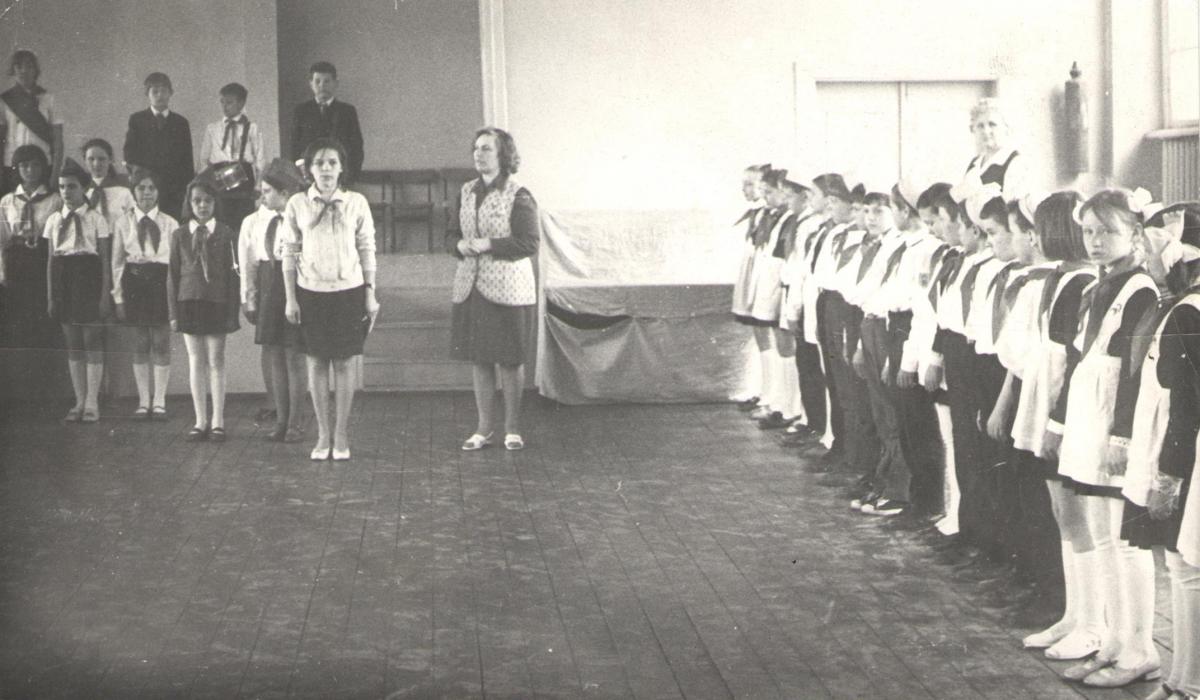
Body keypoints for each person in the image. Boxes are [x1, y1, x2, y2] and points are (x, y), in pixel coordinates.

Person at [1045, 189, 1160, 686]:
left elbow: (1135, 372)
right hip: (1087, 419)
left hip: (1114, 422)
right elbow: (1078, 360)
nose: (1094, 241)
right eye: (1089, 231)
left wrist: (1122, 438)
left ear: (1134, 234)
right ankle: (1113, 640)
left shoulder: (1140, 290)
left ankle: (1141, 648)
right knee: (1101, 537)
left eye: (1107, 231)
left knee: (1126, 542)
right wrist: (1059, 424)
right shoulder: (1097, 285)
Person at [1119, 202, 1200, 699]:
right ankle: (1182, 680)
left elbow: (1185, 408)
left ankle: (1187, 683)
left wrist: (1167, 479)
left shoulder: (1187, 313)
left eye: (1151, 250)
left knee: (1187, 567)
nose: (1146, 261)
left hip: (1188, 459)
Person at [282, 138, 378, 461]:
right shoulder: (296, 204)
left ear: (341, 168)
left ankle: (341, 434)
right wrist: (291, 298)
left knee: (345, 363)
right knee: (317, 362)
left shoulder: (356, 203)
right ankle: (323, 434)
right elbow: (288, 253)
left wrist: (370, 292)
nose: (325, 169)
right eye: (319, 163)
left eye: (332, 163)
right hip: (310, 293)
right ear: (309, 169)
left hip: (348, 292)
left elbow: (367, 248)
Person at [448, 127, 538, 452]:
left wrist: (489, 244)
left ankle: (512, 429)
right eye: (476, 148)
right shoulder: (466, 191)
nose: (479, 154)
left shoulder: (519, 195)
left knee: (510, 360)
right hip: (471, 286)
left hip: (509, 289)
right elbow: (451, 234)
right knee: (480, 358)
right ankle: (484, 428)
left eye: (486, 148)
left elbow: (529, 243)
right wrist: (458, 245)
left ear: (503, 154)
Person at [241, 159, 308, 443]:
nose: (262, 196)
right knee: (275, 354)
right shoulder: (257, 221)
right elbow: (250, 263)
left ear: (284, 193)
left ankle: (296, 422)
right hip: (269, 284)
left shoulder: (302, 218)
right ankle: (281, 420)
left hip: (294, 284)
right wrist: (250, 297)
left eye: (267, 191)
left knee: (294, 355)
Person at [168, 178, 240, 442]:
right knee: (195, 360)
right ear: (189, 203)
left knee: (216, 360)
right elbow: (172, 275)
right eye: (197, 200)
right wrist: (173, 313)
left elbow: (233, 276)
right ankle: (200, 421)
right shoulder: (179, 235)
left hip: (217, 302)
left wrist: (232, 311)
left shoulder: (226, 233)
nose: (202, 206)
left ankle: (218, 421)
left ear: (215, 203)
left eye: (208, 201)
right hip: (189, 302)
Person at [44, 158, 110, 422]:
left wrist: (104, 295)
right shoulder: (53, 220)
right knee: (72, 342)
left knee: (91, 339)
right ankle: (79, 400)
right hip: (64, 279)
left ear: (83, 188)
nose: (66, 192)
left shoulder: (96, 219)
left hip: (88, 277)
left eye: (71, 186)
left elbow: (104, 260)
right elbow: (51, 261)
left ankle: (92, 402)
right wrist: (51, 295)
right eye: (61, 187)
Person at [112, 170, 176, 419]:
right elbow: (117, 263)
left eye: (151, 188)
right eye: (141, 188)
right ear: (133, 192)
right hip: (135, 283)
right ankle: (143, 401)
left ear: (158, 192)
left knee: (160, 342)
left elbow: (175, 265)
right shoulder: (123, 223)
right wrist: (118, 298)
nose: (146, 193)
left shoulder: (170, 223)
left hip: (161, 282)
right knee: (140, 342)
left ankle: (159, 401)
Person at [0, 144, 60, 363]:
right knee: (17, 317)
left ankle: (42, 371)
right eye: (24, 165)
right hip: (16, 263)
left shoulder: (55, 200)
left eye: (36, 165)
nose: (30, 170)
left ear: (43, 168)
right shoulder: (8, 201)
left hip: (42, 261)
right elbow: (2, 240)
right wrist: (2, 272)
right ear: (17, 169)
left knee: (42, 317)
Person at [123, 72, 194, 219]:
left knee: (172, 223)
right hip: (147, 187)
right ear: (147, 94)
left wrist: (186, 192)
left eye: (164, 91)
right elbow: (130, 154)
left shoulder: (181, 122)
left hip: (174, 189)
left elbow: (187, 160)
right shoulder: (137, 120)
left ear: (171, 93)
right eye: (155, 91)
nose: (160, 95)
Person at [198, 82, 266, 230]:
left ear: (241, 103)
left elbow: (260, 159)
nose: (224, 106)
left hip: (244, 178)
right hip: (220, 178)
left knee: (243, 222)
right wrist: (206, 183)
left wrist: (258, 185)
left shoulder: (252, 128)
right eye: (222, 102)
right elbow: (203, 159)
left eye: (229, 102)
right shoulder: (213, 128)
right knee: (221, 221)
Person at [731, 163, 770, 408]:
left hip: (764, 278)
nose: (744, 189)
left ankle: (772, 396)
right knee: (760, 335)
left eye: (749, 184)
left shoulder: (769, 215)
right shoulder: (757, 213)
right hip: (754, 274)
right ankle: (764, 390)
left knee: (768, 337)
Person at [0, 50, 63, 195]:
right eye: (19, 66)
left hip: (42, 165)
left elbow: (58, 142)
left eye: (29, 66)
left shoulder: (49, 99)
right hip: (13, 166)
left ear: (36, 70)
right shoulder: (5, 101)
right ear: (13, 70)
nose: (24, 71)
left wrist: (55, 175)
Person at [289, 62, 364, 183]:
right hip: (309, 177)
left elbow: (356, 148)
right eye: (317, 81)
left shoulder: (347, 111)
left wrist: (349, 178)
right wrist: (302, 176)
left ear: (336, 83)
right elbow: (294, 147)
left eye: (327, 81)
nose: (322, 86)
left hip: (340, 177)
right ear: (311, 84)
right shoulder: (301, 111)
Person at [82, 139, 135, 233]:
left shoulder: (124, 190)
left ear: (110, 160)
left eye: (101, 159)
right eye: (91, 159)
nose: (96, 164)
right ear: (85, 161)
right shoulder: (80, 191)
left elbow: (133, 223)